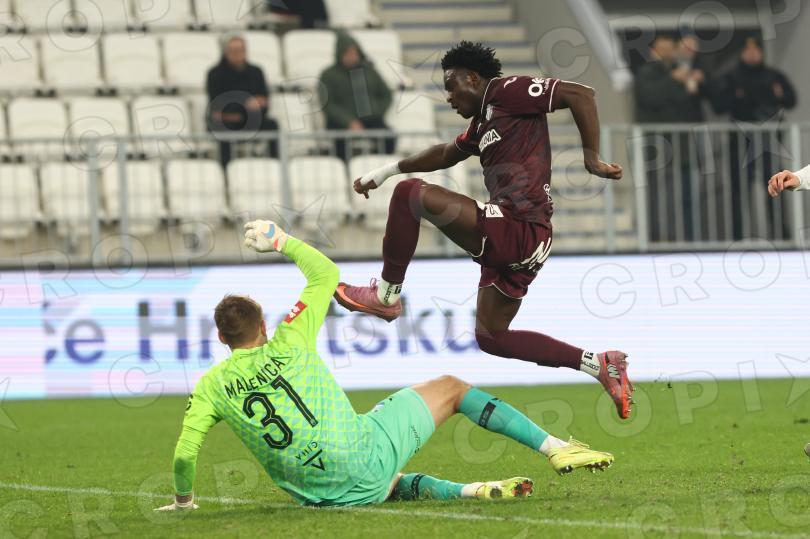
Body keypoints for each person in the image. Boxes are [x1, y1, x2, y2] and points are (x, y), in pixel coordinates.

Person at [154, 220, 615, 511]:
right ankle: (555, 447)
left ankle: (471, 491)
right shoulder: (291, 338)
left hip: (321, 497)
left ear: (221, 338)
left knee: (384, 479)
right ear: (264, 327)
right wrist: (281, 240)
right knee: (452, 388)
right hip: (362, 459)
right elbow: (326, 274)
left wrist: (184, 502)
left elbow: (184, 454)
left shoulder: (211, 385)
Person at [332, 41, 634, 420]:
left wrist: (591, 156)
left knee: (410, 195)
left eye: (452, 86)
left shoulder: (508, 91)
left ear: (473, 78)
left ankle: (386, 295)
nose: (449, 97)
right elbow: (446, 154)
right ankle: (598, 363)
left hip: (518, 224)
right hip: (527, 239)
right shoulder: (482, 123)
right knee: (492, 336)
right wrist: (386, 170)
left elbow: (580, 94)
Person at [712, 37, 797, 240]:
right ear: (742, 53)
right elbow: (719, 105)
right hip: (741, 143)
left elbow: (791, 99)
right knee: (739, 189)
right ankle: (738, 237)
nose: (752, 54)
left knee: (776, 186)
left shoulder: (773, 75)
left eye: (756, 50)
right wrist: (735, 97)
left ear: (761, 52)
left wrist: (779, 95)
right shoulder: (731, 77)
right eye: (748, 50)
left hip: (769, 142)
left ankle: (781, 236)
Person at [634, 35, 705, 242]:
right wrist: (673, 80)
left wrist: (695, 81)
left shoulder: (683, 71)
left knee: (686, 194)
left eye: (669, 47)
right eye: (661, 47)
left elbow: (689, 102)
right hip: (656, 145)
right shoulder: (646, 72)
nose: (666, 51)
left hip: (682, 144)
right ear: (653, 50)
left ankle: (689, 239)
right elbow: (649, 97)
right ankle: (655, 239)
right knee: (655, 195)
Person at [318, 31, 395, 161]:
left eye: (354, 53)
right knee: (339, 143)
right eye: (348, 53)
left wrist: (375, 111)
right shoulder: (328, 75)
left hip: (370, 120)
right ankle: (344, 169)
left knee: (389, 138)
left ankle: (378, 167)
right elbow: (328, 104)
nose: (352, 57)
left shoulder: (369, 71)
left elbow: (386, 95)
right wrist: (349, 122)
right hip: (340, 123)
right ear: (340, 54)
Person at [206, 35, 279, 168]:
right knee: (222, 128)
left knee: (272, 125)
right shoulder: (215, 74)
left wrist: (239, 110)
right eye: (233, 50)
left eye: (240, 50)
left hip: (251, 120)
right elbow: (218, 106)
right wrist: (247, 105)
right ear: (226, 52)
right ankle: (226, 171)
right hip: (225, 122)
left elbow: (263, 102)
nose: (237, 54)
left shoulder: (256, 72)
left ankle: (276, 166)